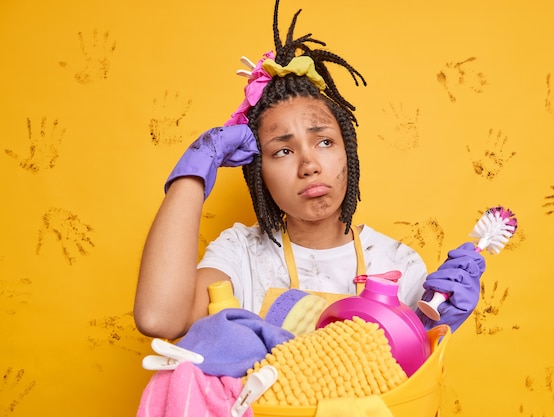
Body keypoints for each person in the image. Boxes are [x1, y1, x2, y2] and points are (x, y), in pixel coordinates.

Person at [133, 0, 485, 341]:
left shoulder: (397, 263)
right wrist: (195, 169)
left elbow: (410, 383)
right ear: (259, 170)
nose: (309, 165)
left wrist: (429, 326)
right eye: (283, 150)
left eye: (324, 142)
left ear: (348, 151)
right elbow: (159, 318)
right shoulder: (241, 253)